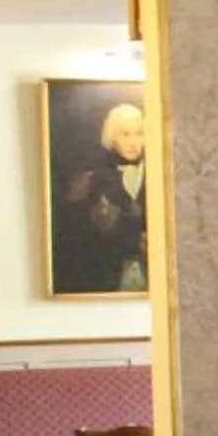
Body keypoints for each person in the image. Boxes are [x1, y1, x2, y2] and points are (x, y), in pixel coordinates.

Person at [51, 100, 148, 293]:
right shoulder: (93, 180)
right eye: (125, 134)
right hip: (107, 278)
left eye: (139, 134)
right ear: (112, 137)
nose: (133, 142)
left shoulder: (160, 178)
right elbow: (76, 236)